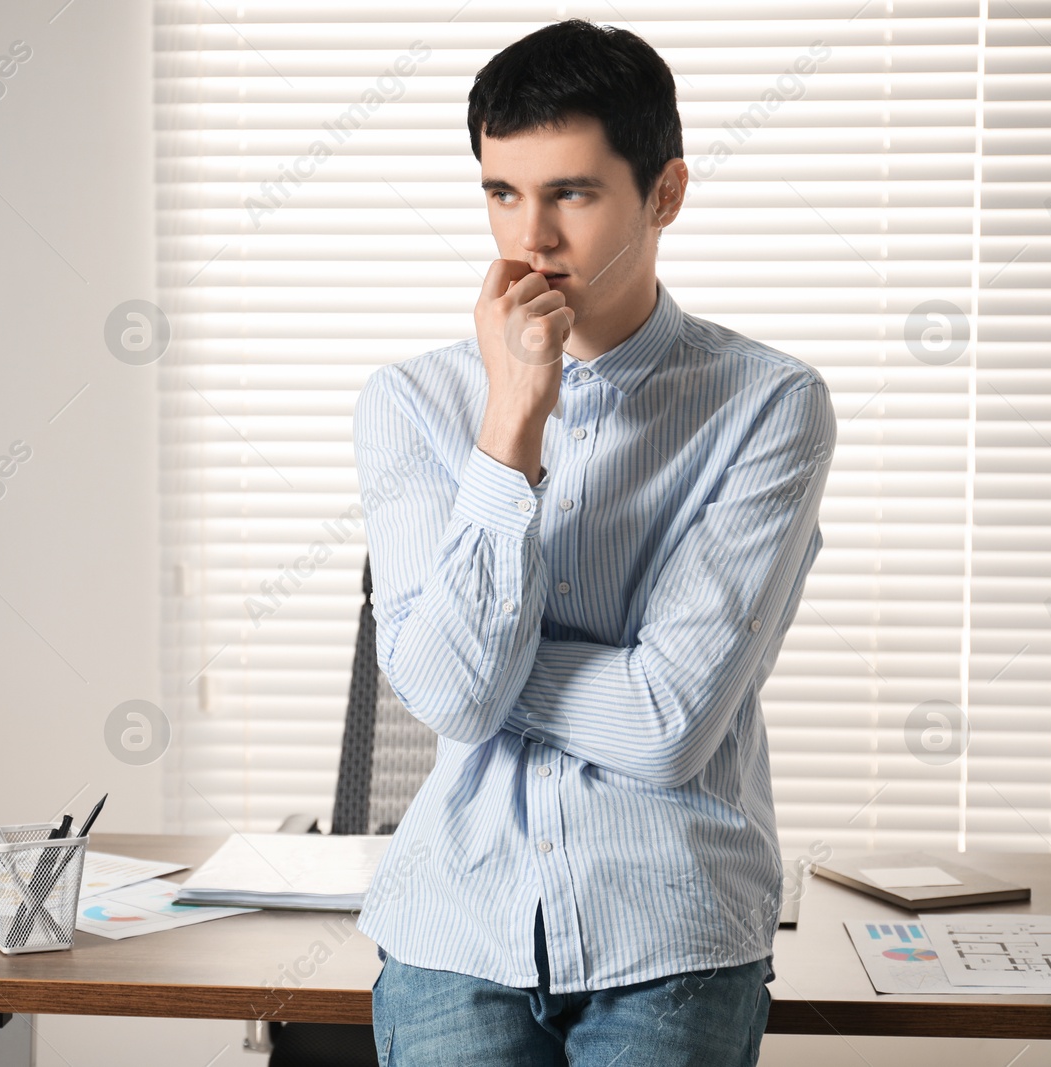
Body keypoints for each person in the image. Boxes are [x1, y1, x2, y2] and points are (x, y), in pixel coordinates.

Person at [353, 19, 835, 1066]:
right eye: (500, 193)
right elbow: (446, 700)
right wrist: (511, 421)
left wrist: (478, 658)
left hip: (669, 928)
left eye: (570, 193)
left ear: (663, 194)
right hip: (453, 924)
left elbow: (666, 724)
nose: (531, 239)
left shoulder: (766, 405)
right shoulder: (413, 402)